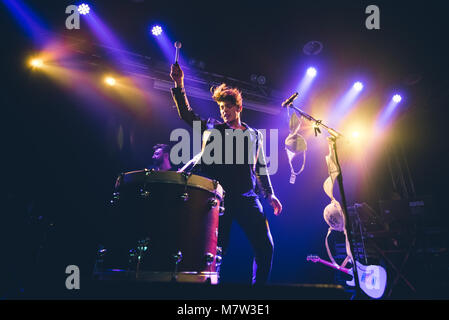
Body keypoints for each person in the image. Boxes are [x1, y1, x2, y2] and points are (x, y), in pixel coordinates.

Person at [169, 62, 282, 285]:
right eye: (221, 108)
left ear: (238, 108)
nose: (223, 111)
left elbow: (260, 167)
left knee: (266, 247)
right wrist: (178, 83)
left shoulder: (254, 135)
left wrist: (270, 194)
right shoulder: (214, 130)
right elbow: (187, 115)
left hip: (248, 198)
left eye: (227, 107)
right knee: (216, 252)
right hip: (220, 199)